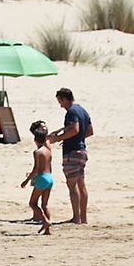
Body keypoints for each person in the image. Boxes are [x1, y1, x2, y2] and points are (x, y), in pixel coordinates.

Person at [45, 87, 93, 224]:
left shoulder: (71, 112)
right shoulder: (82, 110)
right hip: (82, 150)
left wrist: (58, 138)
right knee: (81, 184)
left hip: (72, 151)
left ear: (64, 99)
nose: (60, 105)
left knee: (72, 186)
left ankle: (76, 218)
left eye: (60, 101)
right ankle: (83, 217)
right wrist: (74, 137)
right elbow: (89, 131)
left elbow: (75, 129)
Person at [19, 121, 54, 236]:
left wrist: (26, 180)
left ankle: (46, 222)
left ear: (35, 140)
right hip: (50, 177)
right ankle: (48, 230)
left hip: (42, 178)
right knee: (45, 204)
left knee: (33, 203)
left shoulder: (37, 152)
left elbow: (36, 169)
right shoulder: (48, 151)